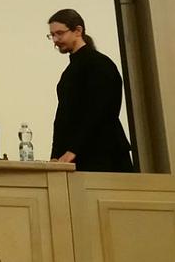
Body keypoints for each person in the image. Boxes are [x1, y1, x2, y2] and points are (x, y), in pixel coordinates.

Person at [47, 9, 134, 172]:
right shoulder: (70, 71)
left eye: (60, 33)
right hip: (78, 156)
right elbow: (62, 116)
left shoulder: (100, 64)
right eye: (52, 35)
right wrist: (55, 154)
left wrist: (73, 150)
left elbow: (101, 111)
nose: (56, 40)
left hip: (103, 155)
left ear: (78, 31)